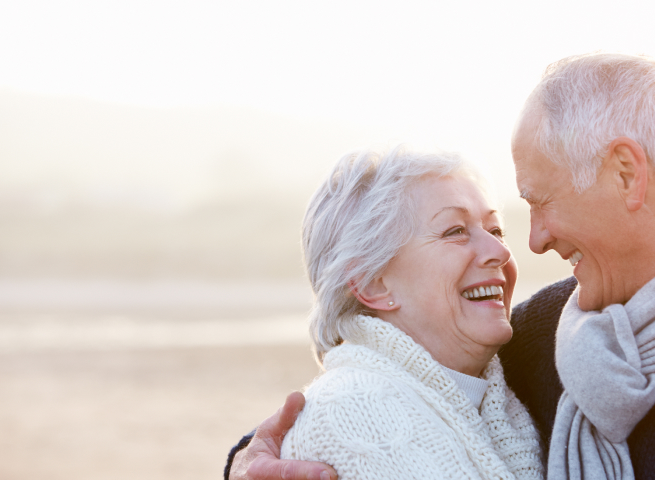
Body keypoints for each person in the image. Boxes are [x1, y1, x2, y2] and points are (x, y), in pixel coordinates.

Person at [228, 53, 655, 479]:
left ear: (624, 174)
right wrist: (248, 464)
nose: (536, 239)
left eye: (539, 202)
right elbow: (385, 403)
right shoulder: (550, 333)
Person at [229, 146, 545, 480]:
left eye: (496, 231)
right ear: (373, 284)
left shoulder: (499, 399)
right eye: (456, 231)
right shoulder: (351, 412)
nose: (500, 251)